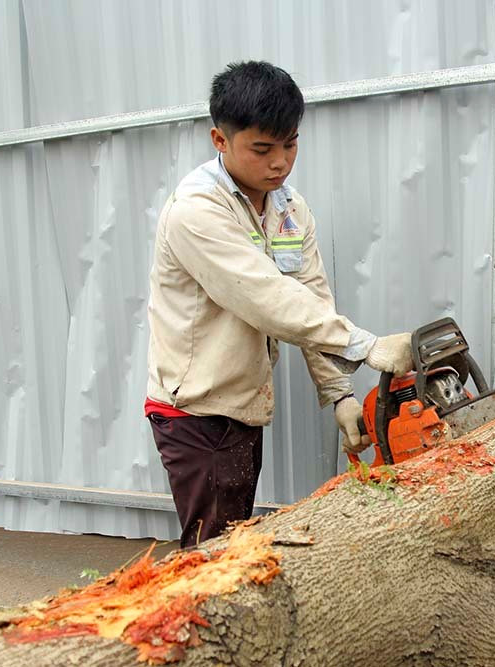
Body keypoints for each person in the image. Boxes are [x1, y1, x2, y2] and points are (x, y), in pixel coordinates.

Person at [145, 60, 412, 548]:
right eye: (263, 149)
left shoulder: (289, 208)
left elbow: (309, 296)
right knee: (212, 551)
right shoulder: (196, 211)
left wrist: (340, 394)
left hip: (243, 405)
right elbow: (265, 297)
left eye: (290, 144)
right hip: (195, 409)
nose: (280, 163)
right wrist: (366, 346)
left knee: (232, 540)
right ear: (220, 140)